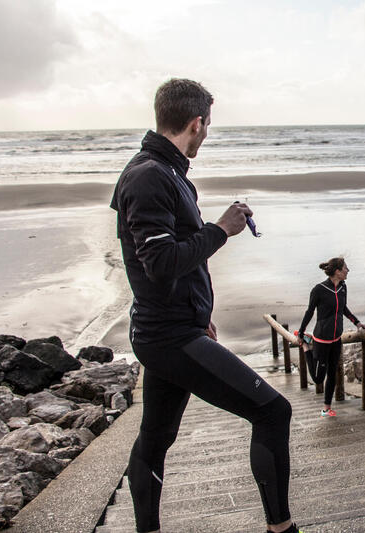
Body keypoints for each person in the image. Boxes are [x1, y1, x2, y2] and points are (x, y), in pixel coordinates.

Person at [110, 78, 299, 533]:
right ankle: (282, 529)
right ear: (196, 123)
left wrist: (200, 312)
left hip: (175, 326)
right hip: (167, 335)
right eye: (208, 125)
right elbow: (159, 262)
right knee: (273, 411)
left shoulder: (166, 172)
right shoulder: (149, 175)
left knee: (156, 436)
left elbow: (170, 260)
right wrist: (222, 229)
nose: (207, 133)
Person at [298, 257, 365, 417]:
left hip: (336, 339)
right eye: (345, 268)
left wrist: (357, 322)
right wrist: (301, 332)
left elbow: (344, 308)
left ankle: (326, 408)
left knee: (332, 374)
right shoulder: (319, 290)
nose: (348, 271)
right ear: (337, 271)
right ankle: (306, 347)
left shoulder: (343, 287)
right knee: (317, 378)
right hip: (321, 340)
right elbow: (309, 312)